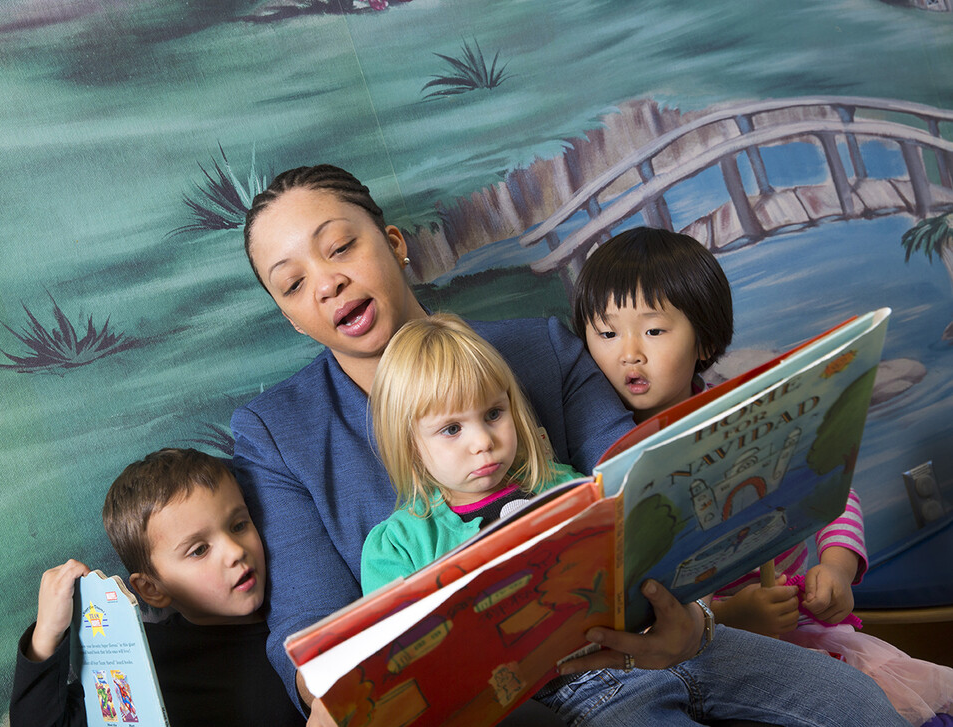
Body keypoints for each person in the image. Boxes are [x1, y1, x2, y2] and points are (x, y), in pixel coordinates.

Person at [231, 165, 909, 726]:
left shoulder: (542, 346)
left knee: (858, 706)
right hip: (520, 695)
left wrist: (692, 617)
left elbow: (645, 485)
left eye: (341, 246)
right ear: (289, 314)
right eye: (292, 283)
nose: (326, 281)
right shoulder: (278, 432)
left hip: (656, 633)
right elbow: (310, 632)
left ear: (395, 241)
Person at [575, 225, 951, 725]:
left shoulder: (747, 416)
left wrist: (837, 567)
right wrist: (730, 617)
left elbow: (828, 484)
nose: (629, 353)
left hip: (797, 627)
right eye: (606, 333)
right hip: (704, 644)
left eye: (654, 330)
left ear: (705, 341)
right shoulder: (596, 447)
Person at [8, 448, 306, 727]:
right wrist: (46, 634)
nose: (235, 551)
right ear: (152, 590)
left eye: (239, 525)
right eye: (199, 550)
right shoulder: (140, 658)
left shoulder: (306, 608)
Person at [361, 313, 584, 593]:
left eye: (493, 413)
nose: (483, 442)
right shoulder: (399, 547)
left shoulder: (564, 487)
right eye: (452, 429)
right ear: (411, 445)